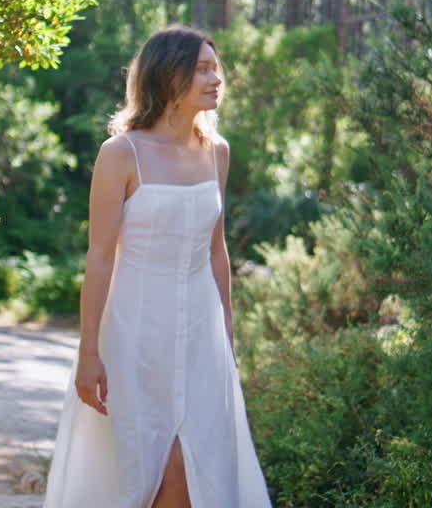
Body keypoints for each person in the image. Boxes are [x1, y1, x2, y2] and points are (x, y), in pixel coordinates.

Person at [42, 26, 271, 508]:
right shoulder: (121, 154)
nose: (216, 79)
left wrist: (227, 337)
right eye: (202, 69)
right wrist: (88, 353)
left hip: (202, 336)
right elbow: (100, 256)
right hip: (135, 331)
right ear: (169, 76)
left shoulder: (218, 152)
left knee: (198, 467)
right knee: (145, 468)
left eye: (216, 68)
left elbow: (216, 251)